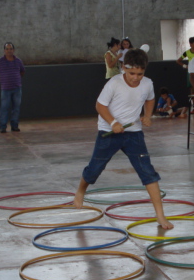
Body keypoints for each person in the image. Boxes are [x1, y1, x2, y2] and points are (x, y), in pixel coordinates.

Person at [73, 49, 173, 230]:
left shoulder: (148, 84)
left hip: (134, 133)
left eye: (140, 74)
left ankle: (160, 215)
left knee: (148, 172)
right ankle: (80, 191)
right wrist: (113, 122)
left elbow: (150, 100)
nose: (135, 77)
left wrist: (148, 115)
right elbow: (100, 105)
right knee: (95, 168)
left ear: (145, 71)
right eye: (131, 73)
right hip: (109, 132)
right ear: (124, 68)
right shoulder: (114, 83)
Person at [0, 42, 26, 133]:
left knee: (16, 108)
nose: (9, 51)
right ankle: (2, 126)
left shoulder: (18, 61)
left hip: (17, 88)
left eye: (11, 49)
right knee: (4, 107)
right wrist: (0, 79)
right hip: (5, 89)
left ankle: (14, 126)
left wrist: (16, 79)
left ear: (13, 50)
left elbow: (22, 71)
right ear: (4, 50)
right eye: (7, 49)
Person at [176, 37, 194, 112]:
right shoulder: (187, 52)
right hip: (191, 71)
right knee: (192, 88)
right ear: (190, 44)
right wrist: (185, 66)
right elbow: (178, 61)